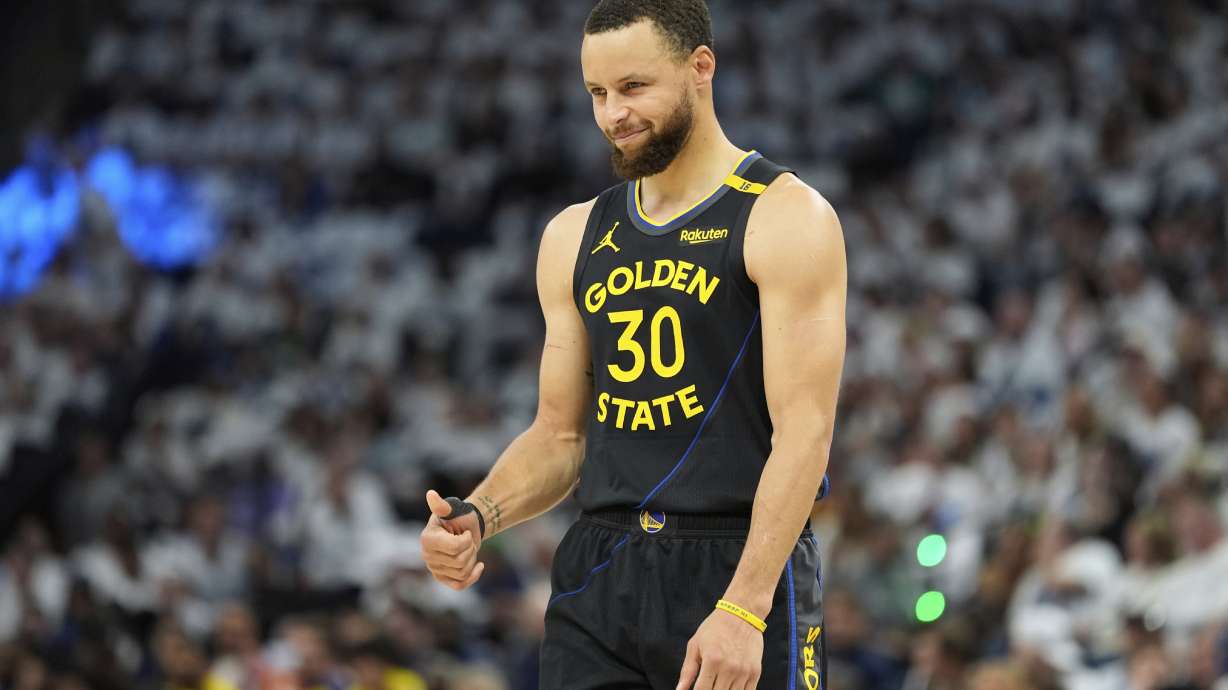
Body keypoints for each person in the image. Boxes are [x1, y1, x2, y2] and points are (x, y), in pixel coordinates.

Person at [419, 1, 846, 689]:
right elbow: (560, 436)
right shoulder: (572, 234)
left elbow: (806, 432)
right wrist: (478, 514)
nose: (613, 114)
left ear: (699, 68)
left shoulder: (786, 216)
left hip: (734, 559)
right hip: (601, 567)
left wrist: (745, 606)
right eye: (597, 93)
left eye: (634, 87)